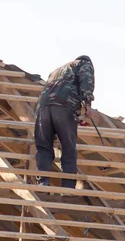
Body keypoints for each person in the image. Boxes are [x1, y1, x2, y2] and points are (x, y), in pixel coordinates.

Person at [34, 55, 95, 189]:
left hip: (43, 108)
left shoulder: (57, 71)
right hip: (64, 106)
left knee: (44, 147)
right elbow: (86, 81)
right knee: (68, 149)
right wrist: (88, 104)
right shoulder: (83, 64)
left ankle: (43, 182)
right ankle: (68, 188)